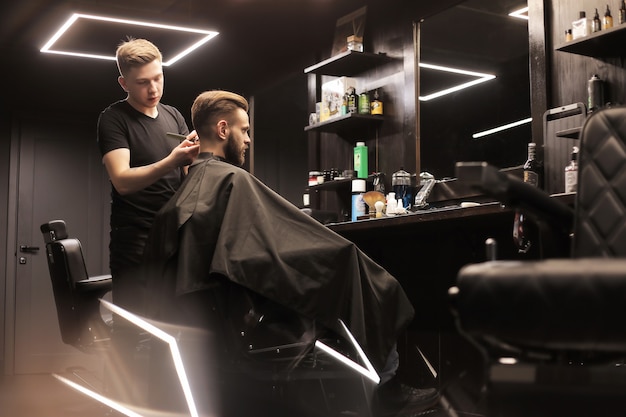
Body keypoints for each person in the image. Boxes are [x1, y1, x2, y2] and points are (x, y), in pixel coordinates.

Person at [143, 90, 438, 416]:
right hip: (251, 326)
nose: (249, 140)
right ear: (223, 130)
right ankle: (388, 392)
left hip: (218, 333)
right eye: (245, 130)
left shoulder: (182, 198)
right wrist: (338, 253)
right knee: (373, 280)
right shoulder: (229, 181)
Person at [96, 38, 199, 404]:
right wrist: (171, 161)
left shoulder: (173, 116)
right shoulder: (113, 119)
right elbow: (122, 180)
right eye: (142, 82)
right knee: (131, 333)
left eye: (158, 78)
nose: (152, 88)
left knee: (169, 333)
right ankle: (120, 408)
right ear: (124, 83)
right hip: (135, 243)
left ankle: (159, 405)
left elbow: (190, 175)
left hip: (174, 241)